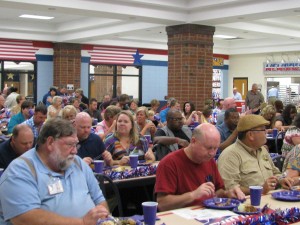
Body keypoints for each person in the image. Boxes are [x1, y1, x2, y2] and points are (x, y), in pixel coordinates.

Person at [0, 118, 110, 225]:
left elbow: (99, 199)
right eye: (70, 145)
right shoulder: (20, 171)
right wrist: (82, 222)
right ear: (50, 143)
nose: (75, 151)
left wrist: (105, 220)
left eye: (76, 145)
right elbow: (25, 218)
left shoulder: (77, 163)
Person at [155, 123, 245, 212]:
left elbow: (218, 191)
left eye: (216, 148)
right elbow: (162, 204)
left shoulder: (209, 161)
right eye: (209, 148)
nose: (212, 153)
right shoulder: (169, 163)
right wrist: (193, 195)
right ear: (193, 141)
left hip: (208, 214)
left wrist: (227, 194)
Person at [217, 114, 293, 195]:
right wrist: (259, 190)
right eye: (263, 130)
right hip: (247, 204)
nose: (266, 132)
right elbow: (231, 189)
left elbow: (275, 172)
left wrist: (281, 180)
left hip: (271, 199)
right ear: (250, 135)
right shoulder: (230, 155)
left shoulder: (262, 150)